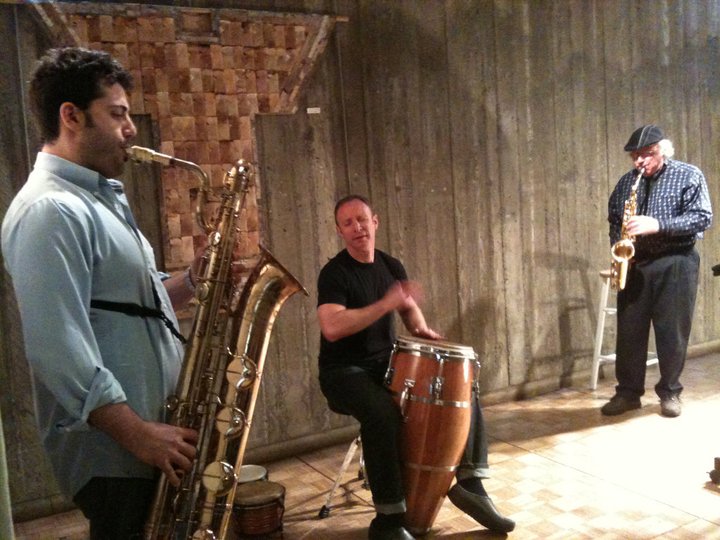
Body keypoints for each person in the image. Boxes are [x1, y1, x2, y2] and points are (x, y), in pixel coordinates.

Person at [1, 47, 201, 539]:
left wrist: (198, 281)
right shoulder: (50, 210)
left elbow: (137, 305)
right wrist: (138, 435)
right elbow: (56, 345)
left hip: (147, 440)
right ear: (71, 116)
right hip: (119, 454)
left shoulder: (95, 200)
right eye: (117, 114)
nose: (130, 129)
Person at [317, 195, 515, 540]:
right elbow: (332, 327)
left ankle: (471, 485)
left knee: (461, 386)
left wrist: (421, 329)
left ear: (375, 221)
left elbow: (408, 309)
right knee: (382, 413)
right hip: (343, 372)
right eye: (347, 223)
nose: (357, 227)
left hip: (387, 365)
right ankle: (388, 521)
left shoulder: (390, 265)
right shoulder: (334, 274)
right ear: (339, 231)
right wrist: (385, 304)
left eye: (362, 219)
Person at [601, 125, 712, 418]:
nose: (640, 161)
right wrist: (620, 246)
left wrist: (658, 225)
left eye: (647, 154)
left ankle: (670, 392)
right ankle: (628, 393)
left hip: (676, 261)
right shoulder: (627, 183)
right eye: (635, 156)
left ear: (663, 150)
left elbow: (702, 218)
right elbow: (615, 219)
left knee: (671, 332)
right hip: (636, 263)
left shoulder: (688, 175)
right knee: (629, 332)